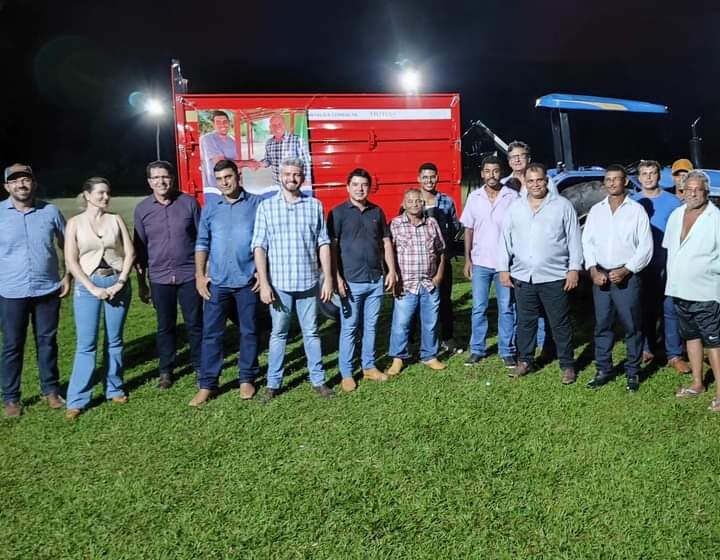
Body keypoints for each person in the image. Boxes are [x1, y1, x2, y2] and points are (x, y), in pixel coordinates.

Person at [252, 157, 334, 401]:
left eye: (296, 174)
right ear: (280, 176)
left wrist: (327, 278)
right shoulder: (266, 207)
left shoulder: (314, 206)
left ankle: (318, 381)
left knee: (311, 333)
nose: (292, 178)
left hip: (308, 283)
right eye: (287, 174)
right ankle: (273, 384)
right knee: (279, 334)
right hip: (279, 285)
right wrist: (264, 283)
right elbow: (259, 247)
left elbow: (324, 243)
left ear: (303, 176)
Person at [498, 163, 582, 383]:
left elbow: (574, 239)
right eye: (531, 181)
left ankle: (567, 365)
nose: (535, 185)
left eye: (539, 180)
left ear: (546, 181)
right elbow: (504, 240)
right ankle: (525, 361)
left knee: (559, 322)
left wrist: (574, 269)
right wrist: (504, 270)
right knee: (526, 321)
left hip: (554, 275)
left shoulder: (562, 206)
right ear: (525, 182)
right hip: (523, 276)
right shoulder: (516, 208)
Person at [190, 160, 263, 405]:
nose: (225, 182)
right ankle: (208, 384)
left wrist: (263, 275)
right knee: (212, 334)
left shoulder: (256, 204)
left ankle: (247, 379)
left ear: (238, 175)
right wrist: (200, 275)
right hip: (217, 282)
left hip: (246, 281)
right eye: (219, 179)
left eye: (228, 177)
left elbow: (265, 243)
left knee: (249, 331)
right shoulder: (210, 208)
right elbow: (202, 243)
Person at [0, 164, 69, 418]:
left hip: (47, 289)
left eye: (26, 180)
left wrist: (68, 274)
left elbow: (67, 243)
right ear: (7, 186)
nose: (21, 185)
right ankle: (11, 398)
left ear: (34, 183)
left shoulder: (50, 211)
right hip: (10, 292)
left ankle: (51, 390)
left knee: (47, 342)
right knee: (12, 346)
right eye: (15, 181)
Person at [64, 177, 135, 419]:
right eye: (100, 193)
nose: (105, 197)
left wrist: (121, 281)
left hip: (116, 282)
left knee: (114, 341)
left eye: (108, 193)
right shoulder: (74, 223)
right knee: (87, 344)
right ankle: (77, 399)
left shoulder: (115, 220)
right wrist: (92, 288)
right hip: (88, 286)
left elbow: (130, 252)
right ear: (87, 195)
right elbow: (71, 260)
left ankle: (114, 388)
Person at [583, 165, 653, 391]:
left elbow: (646, 247)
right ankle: (604, 368)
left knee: (632, 325)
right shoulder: (596, 210)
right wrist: (593, 270)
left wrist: (627, 270)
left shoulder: (636, 210)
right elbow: (588, 242)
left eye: (616, 179)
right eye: (608, 180)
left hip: (627, 276)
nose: (612, 183)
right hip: (601, 275)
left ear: (625, 182)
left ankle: (632, 372)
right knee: (602, 324)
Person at [133, 160, 203, 390]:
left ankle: (200, 366)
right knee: (165, 326)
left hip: (189, 274)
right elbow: (140, 251)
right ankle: (166, 370)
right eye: (156, 178)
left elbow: (202, 239)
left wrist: (204, 273)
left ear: (172, 179)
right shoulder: (142, 210)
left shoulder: (188, 203)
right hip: (160, 277)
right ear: (149, 182)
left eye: (165, 177)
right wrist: (142, 284)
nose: (161, 181)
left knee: (194, 323)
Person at [329, 169, 396, 392]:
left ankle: (368, 366)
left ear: (369, 187)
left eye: (364, 185)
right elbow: (332, 248)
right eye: (355, 184)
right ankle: (347, 373)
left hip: (375, 279)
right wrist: (336, 277)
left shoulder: (377, 211)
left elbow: (386, 242)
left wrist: (391, 270)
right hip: (350, 282)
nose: (360, 188)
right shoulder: (337, 213)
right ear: (347, 187)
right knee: (350, 328)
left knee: (371, 326)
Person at [664, 171, 720, 411]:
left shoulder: (715, 218)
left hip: (706, 291)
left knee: (714, 343)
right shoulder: (676, 215)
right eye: (689, 189)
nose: (693, 193)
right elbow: (670, 249)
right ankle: (697, 383)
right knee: (691, 337)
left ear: (706, 193)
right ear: (682, 191)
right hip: (680, 289)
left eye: (698, 189)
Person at [631, 160, 690, 373]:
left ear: (659, 176)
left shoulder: (673, 202)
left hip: (667, 263)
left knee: (670, 309)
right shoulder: (633, 202)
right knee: (644, 308)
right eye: (644, 174)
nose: (648, 177)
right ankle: (646, 348)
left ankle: (673, 354)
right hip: (642, 265)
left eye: (652, 173)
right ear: (639, 178)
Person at [460, 155, 519, 367]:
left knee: (506, 307)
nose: (491, 175)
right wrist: (467, 259)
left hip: (504, 263)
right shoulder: (474, 197)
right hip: (480, 262)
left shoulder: (512, 197)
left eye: (495, 171)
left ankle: (507, 350)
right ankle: (477, 349)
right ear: (482, 173)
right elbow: (469, 229)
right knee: (479, 307)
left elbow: (518, 230)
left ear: (500, 172)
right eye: (487, 171)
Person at [502, 141, 555, 355]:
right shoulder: (504, 186)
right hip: (516, 250)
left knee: (539, 298)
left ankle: (542, 341)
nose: (517, 160)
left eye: (521, 156)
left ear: (528, 158)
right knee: (514, 300)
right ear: (508, 161)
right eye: (513, 157)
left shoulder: (543, 183)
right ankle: (515, 341)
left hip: (540, 250)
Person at [386, 189, 446, 376]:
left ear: (423, 204)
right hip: (406, 285)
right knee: (401, 323)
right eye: (410, 201)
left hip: (429, 283)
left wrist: (439, 276)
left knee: (430, 322)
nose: (414, 204)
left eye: (418, 201)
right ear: (404, 204)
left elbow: (441, 250)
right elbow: (388, 253)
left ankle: (429, 355)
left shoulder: (432, 223)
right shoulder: (395, 225)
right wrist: (393, 276)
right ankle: (398, 358)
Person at [415, 162, 462, 354]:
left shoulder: (447, 201)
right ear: (419, 179)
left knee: (444, 300)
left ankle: (448, 338)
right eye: (425, 177)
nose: (429, 180)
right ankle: (420, 341)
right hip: (419, 262)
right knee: (418, 302)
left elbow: (455, 226)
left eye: (432, 176)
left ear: (437, 178)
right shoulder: (412, 201)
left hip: (442, 259)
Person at [200, 110, 260, 190]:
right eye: (218, 122)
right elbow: (221, 164)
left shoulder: (231, 140)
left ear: (229, 123)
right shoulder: (207, 139)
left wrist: (248, 165)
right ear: (213, 124)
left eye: (225, 121)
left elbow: (236, 163)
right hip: (215, 188)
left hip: (232, 186)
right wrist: (248, 163)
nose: (222, 125)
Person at [258, 114, 312, 186]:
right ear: (270, 128)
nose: (277, 127)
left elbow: (306, 163)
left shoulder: (298, 140)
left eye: (279, 124)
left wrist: (306, 180)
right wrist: (259, 164)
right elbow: (268, 160)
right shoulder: (269, 143)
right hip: (277, 183)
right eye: (273, 125)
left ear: (285, 125)